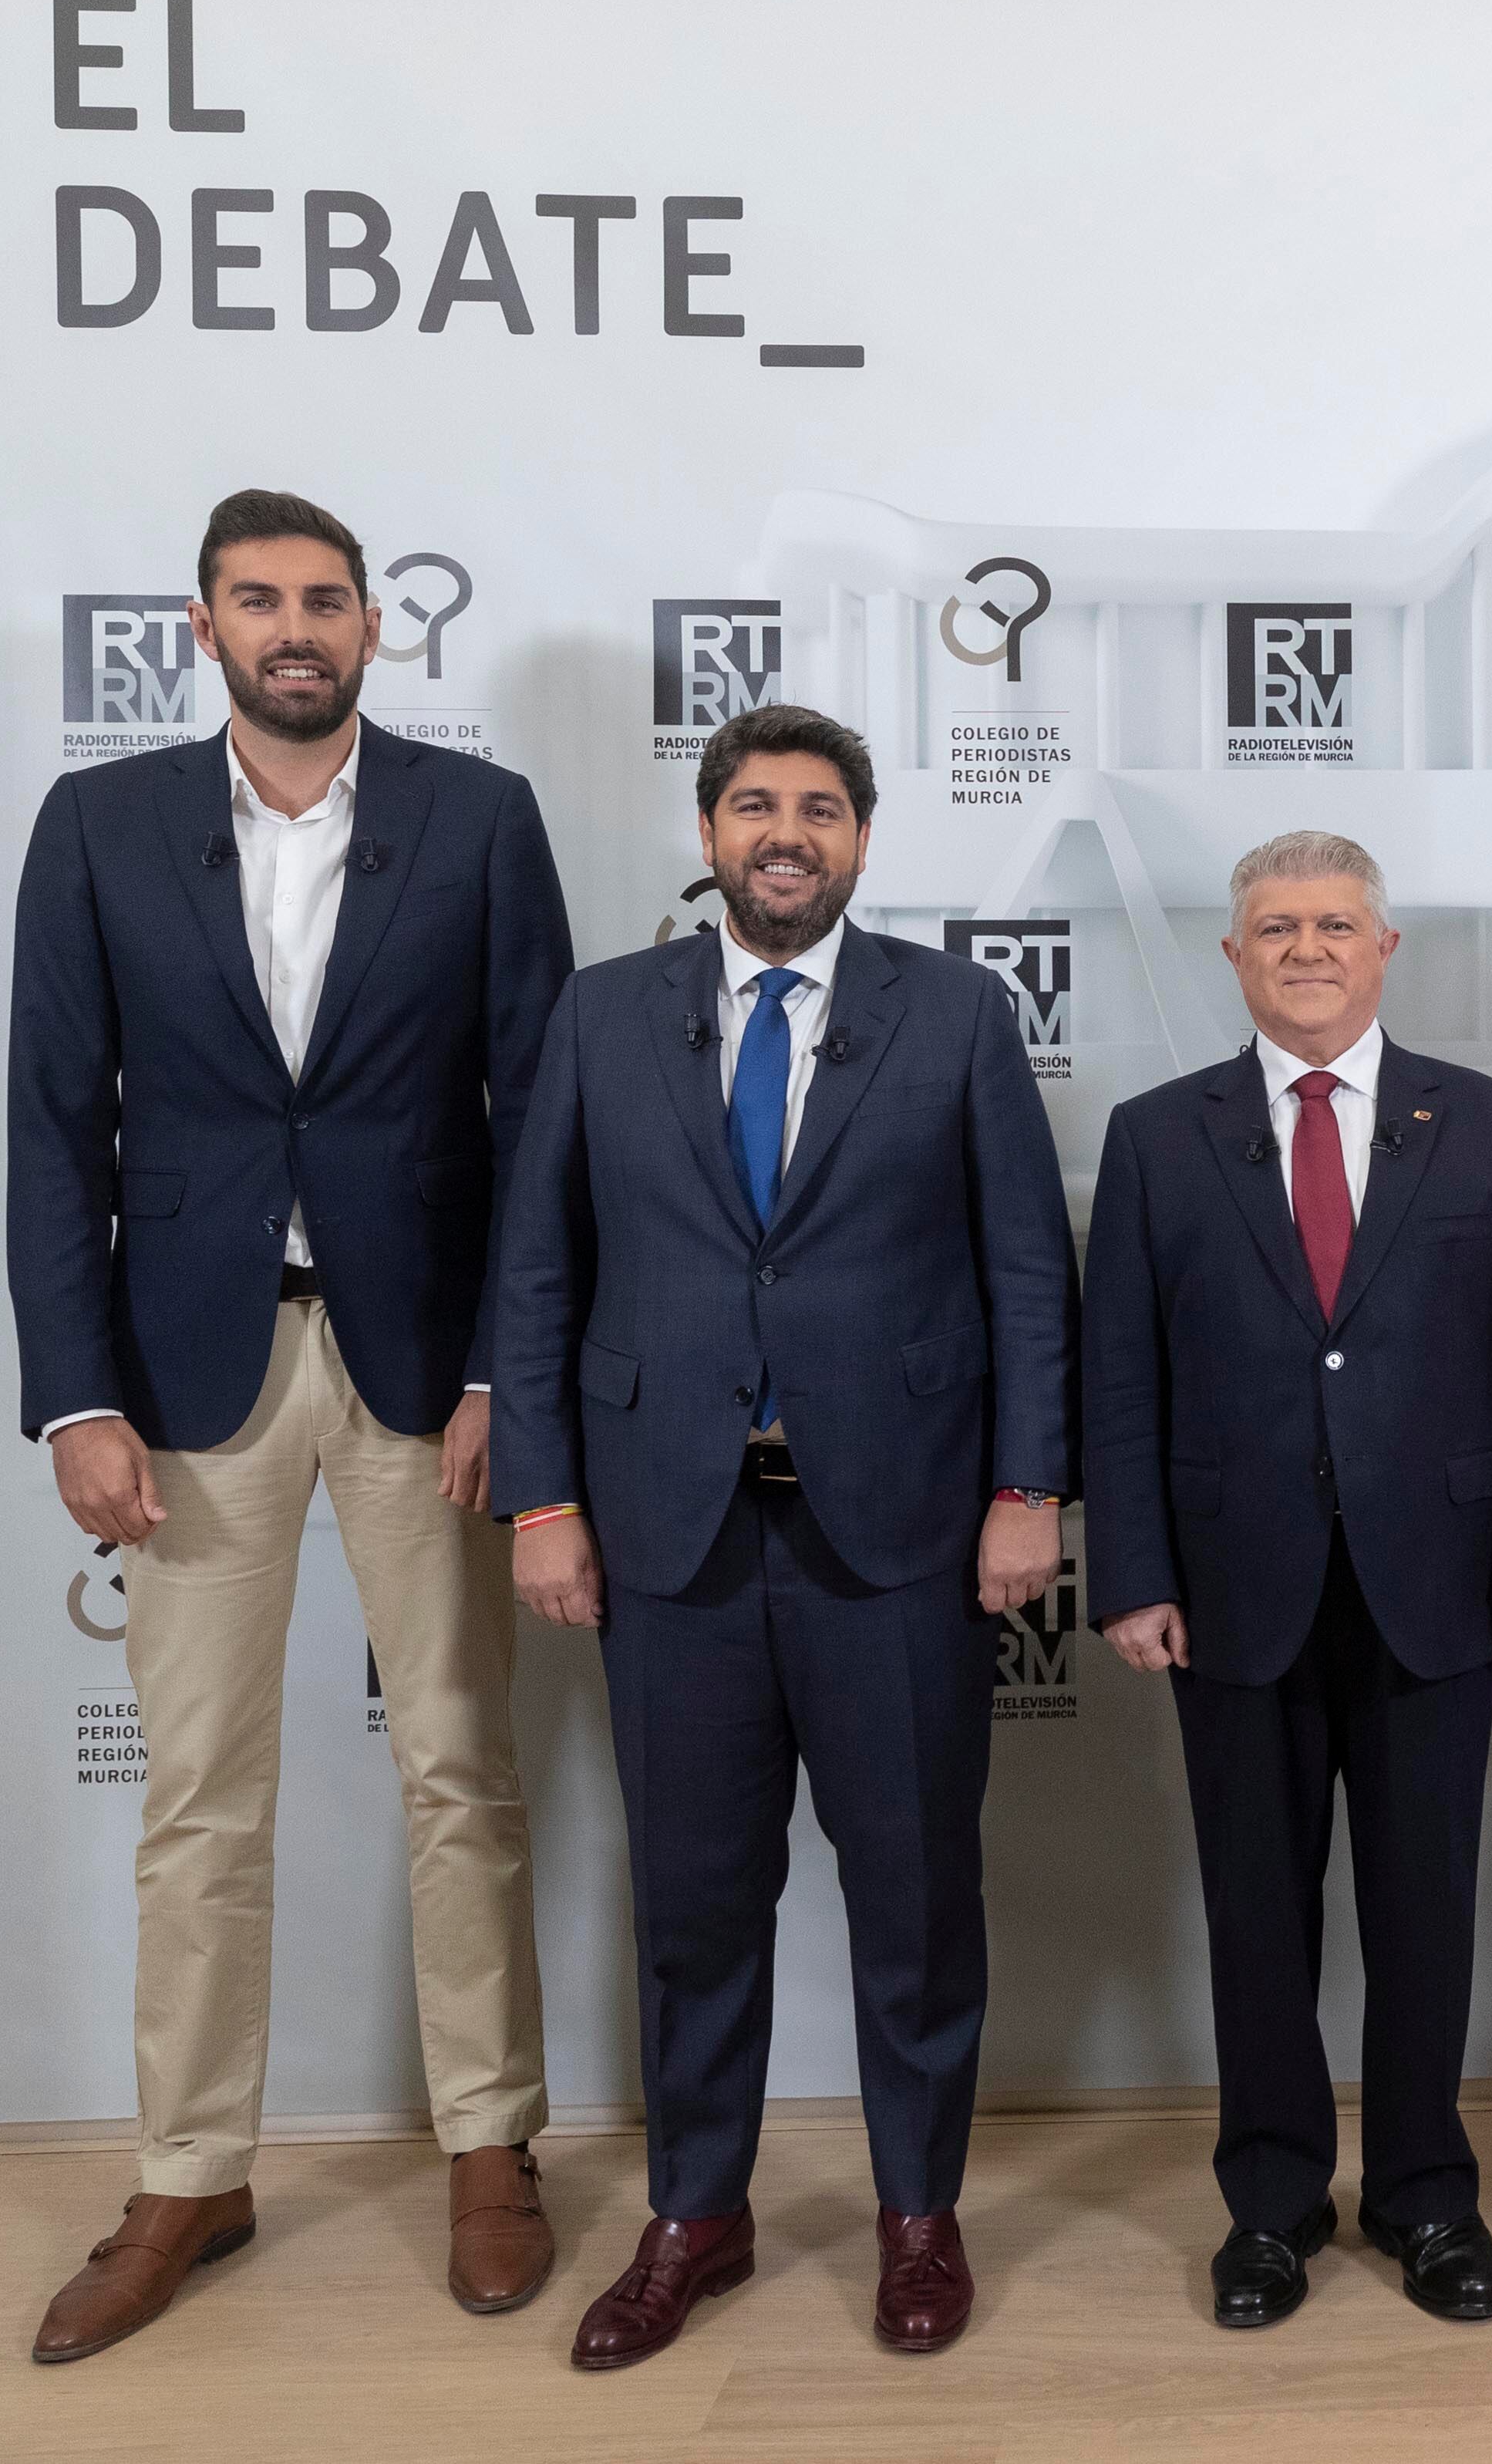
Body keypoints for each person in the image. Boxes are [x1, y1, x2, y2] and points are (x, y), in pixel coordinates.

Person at [7, 489, 574, 2361]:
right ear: (204, 627)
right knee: (197, 1801)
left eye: (323, 598)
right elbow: (49, 1125)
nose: (294, 626)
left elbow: (539, 1121)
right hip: (185, 1376)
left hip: (426, 1370)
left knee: (461, 1773)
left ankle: (489, 2144)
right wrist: (78, 1392)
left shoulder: (477, 821)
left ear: (371, 626)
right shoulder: (98, 826)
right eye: (258, 600)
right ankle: (190, 2170)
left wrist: (514, 1369)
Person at [493, 701, 1078, 2369]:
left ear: (862, 841)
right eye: (754, 804)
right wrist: (542, 1497)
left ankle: (915, 2214)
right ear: (705, 834)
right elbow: (535, 1271)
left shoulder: (957, 1014)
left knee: (911, 1897)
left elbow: (1028, 1268)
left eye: (819, 809)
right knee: (691, 1902)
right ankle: (698, 2213)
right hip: (665, 1535)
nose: (784, 833)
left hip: (892, 1536)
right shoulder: (604, 1018)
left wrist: (1027, 1485)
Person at [1084, 831, 1492, 2333]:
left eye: (1335, 922)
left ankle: (1428, 2196)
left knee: (1426, 1907)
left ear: (1384, 949)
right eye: (1274, 924)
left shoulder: (1488, 1126)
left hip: (1437, 1579)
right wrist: (1129, 1570)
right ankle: (1272, 2199)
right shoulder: (1155, 1135)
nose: (1306, 945)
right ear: (1231, 957)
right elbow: (1118, 1375)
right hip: (1231, 1584)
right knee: (1256, 1911)